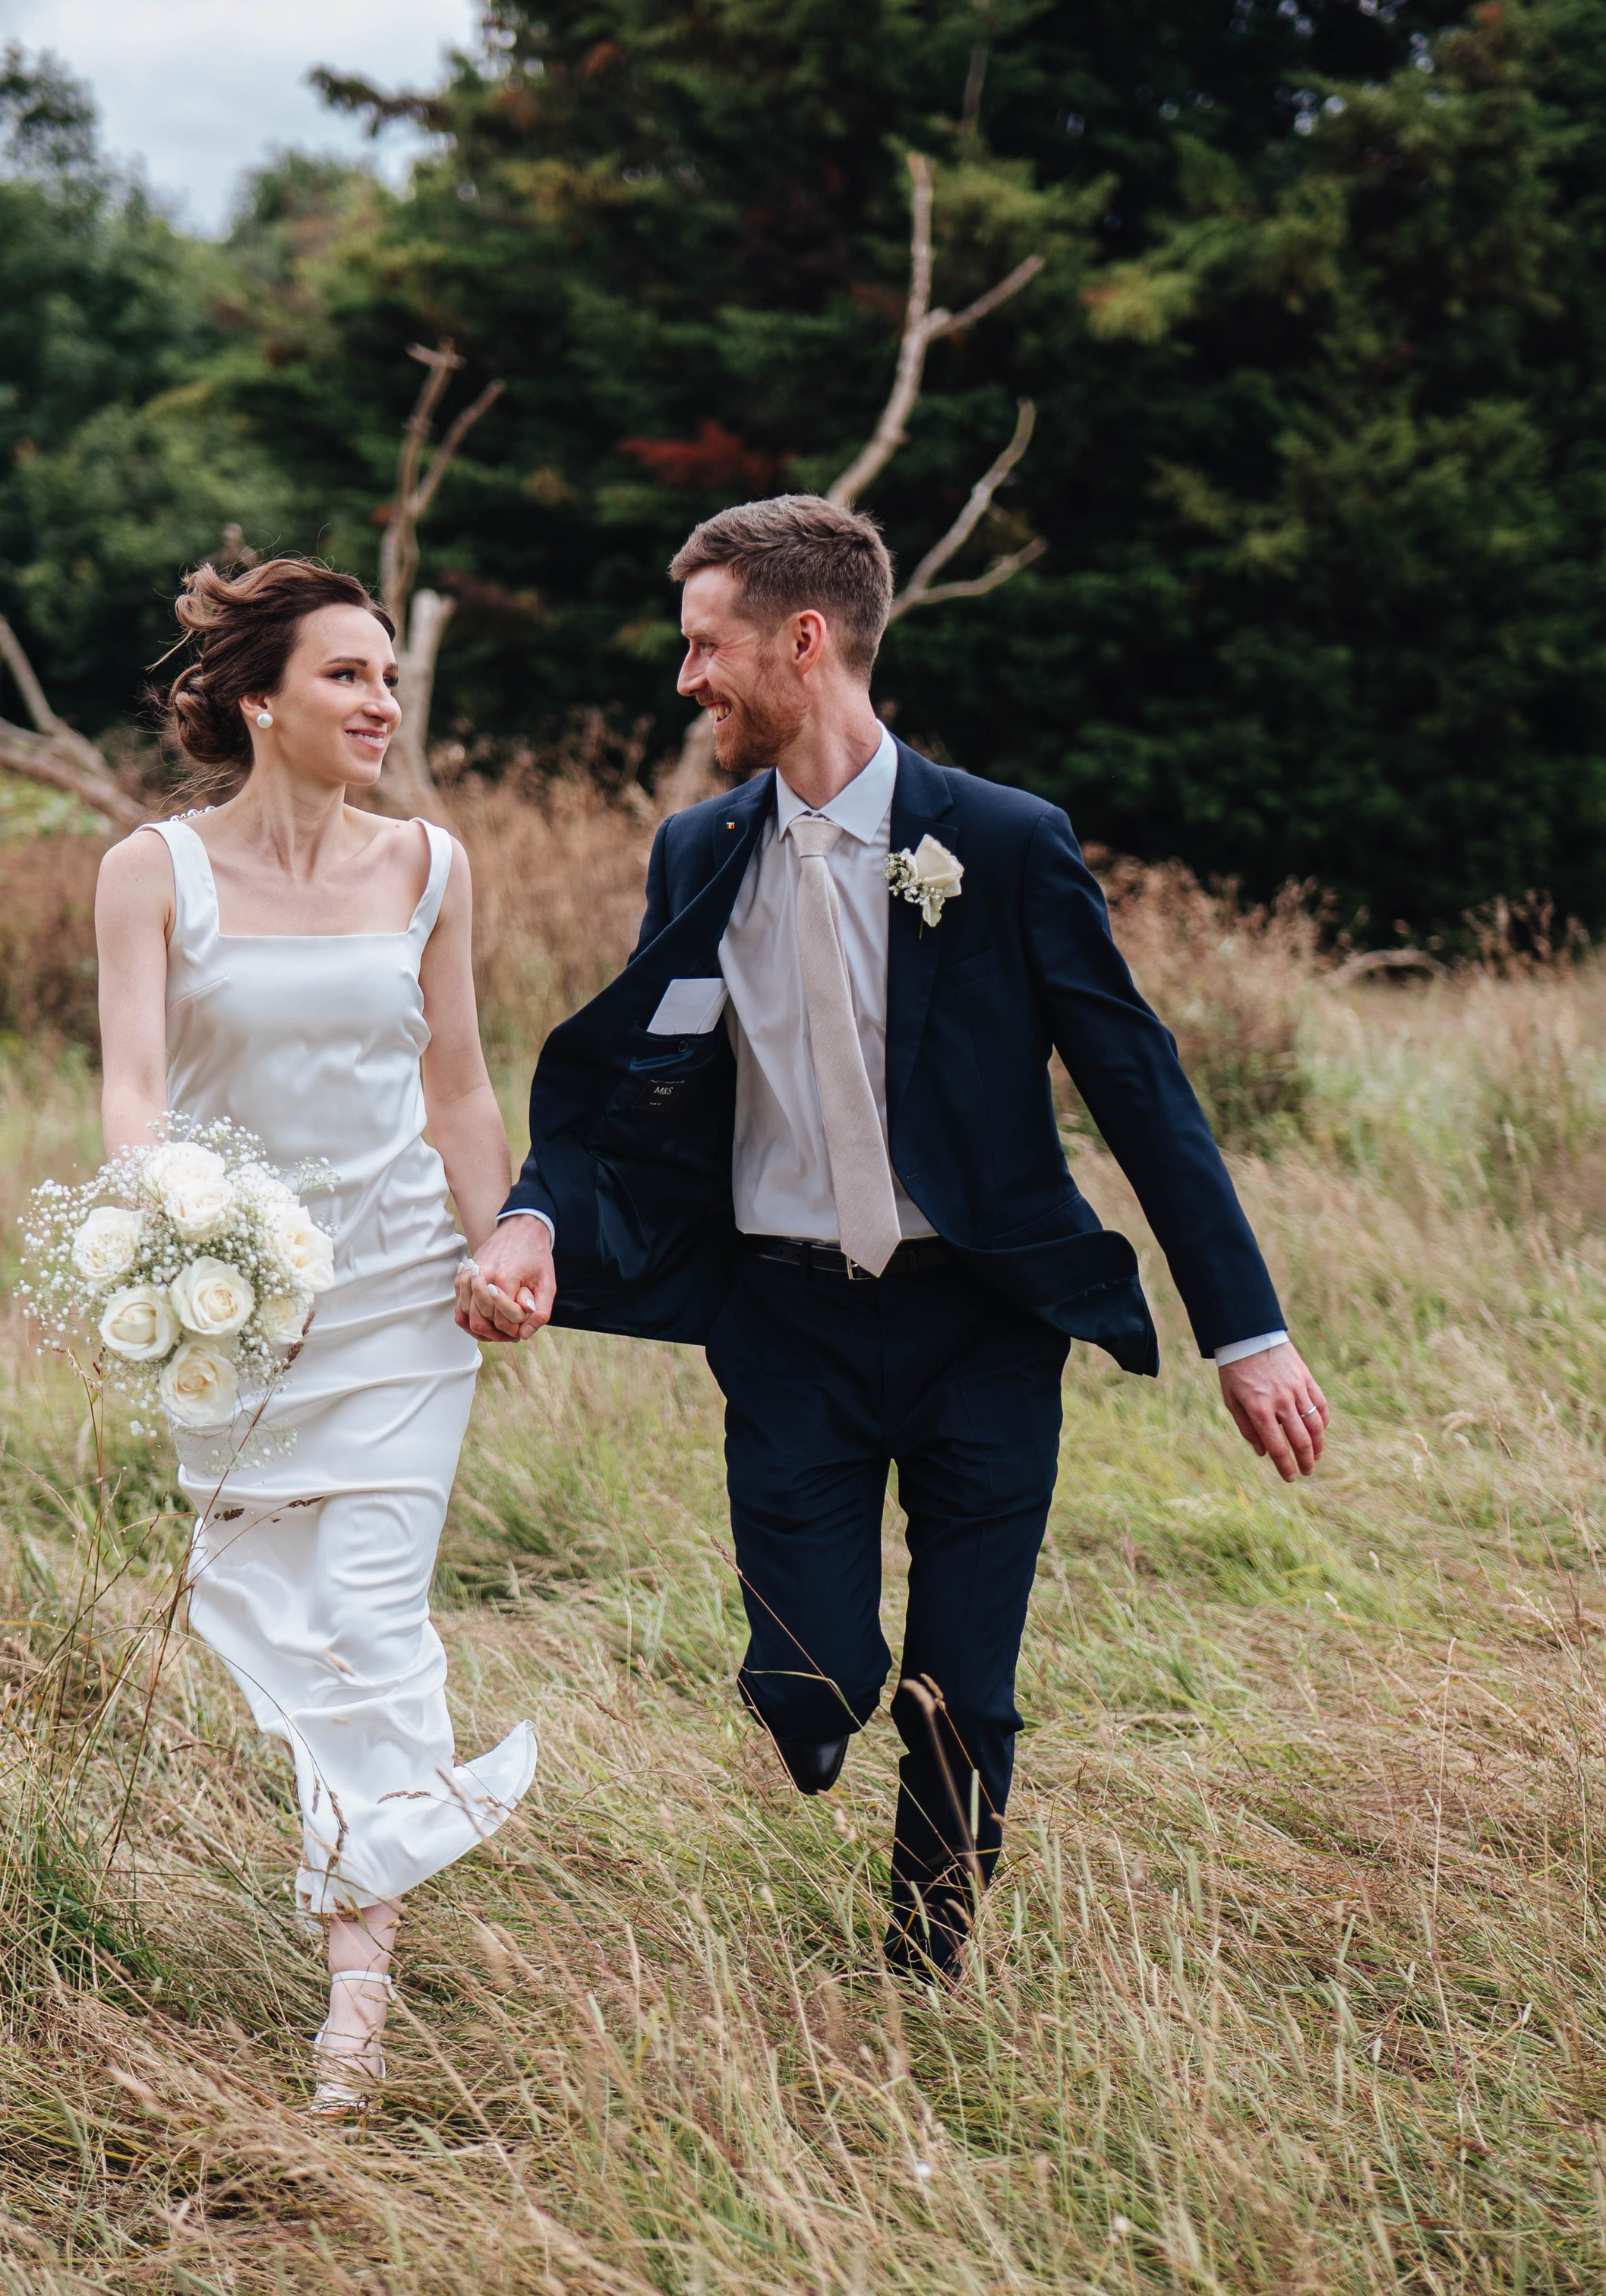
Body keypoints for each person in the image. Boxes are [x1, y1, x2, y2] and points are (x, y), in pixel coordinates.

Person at [456, 495, 1327, 1981]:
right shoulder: (696, 850)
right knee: (812, 1681)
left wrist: (1244, 1334)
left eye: (703, 648)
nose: (686, 681)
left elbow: (1141, 1095)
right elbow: (617, 1078)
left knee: (961, 1686)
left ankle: (925, 1966)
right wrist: (533, 1215)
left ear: (803, 641)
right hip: (783, 1323)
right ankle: (814, 1711)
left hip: (983, 1321)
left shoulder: (1000, 842)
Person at [95, 557, 536, 2111]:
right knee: (270, 1622)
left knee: (365, 1610)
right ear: (259, 699)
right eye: (347, 675)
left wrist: (503, 1245)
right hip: (230, 1311)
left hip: (403, 1302)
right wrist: (167, 1234)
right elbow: (136, 1096)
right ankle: (395, 1832)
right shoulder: (154, 872)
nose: (379, 703)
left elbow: (462, 1088)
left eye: (387, 679)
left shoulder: (428, 864)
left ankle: (359, 1990)